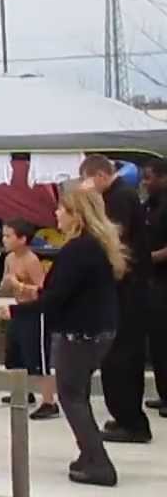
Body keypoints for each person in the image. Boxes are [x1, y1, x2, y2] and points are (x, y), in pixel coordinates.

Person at [19, 188, 127, 487]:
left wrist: (17, 311)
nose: (56, 214)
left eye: (61, 209)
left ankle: (99, 463)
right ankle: (88, 455)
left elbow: (56, 297)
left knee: (71, 397)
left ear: (76, 215)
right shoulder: (97, 246)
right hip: (99, 329)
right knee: (78, 395)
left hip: (79, 333)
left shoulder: (77, 249)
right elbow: (70, 289)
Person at [79, 155, 152, 443]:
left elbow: (113, 239)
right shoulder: (119, 195)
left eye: (87, 179)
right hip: (124, 288)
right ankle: (124, 416)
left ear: (99, 175)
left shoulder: (120, 198)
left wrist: (87, 203)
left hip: (129, 288)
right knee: (117, 356)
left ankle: (132, 422)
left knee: (122, 356)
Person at [0, 219, 60, 420]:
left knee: (37, 357)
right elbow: (5, 284)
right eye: (4, 236)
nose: (4, 239)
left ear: (22, 239)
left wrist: (20, 285)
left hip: (35, 313)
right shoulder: (10, 259)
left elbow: (42, 291)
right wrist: (8, 283)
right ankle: (23, 391)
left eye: (9, 236)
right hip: (19, 310)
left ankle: (49, 402)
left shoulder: (31, 260)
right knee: (16, 354)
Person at [141, 158, 167, 418]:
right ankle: (164, 394)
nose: (145, 183)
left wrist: (147, 258)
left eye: (149, 178)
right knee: (157, 342)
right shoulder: (149, 205)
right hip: (151, 282)